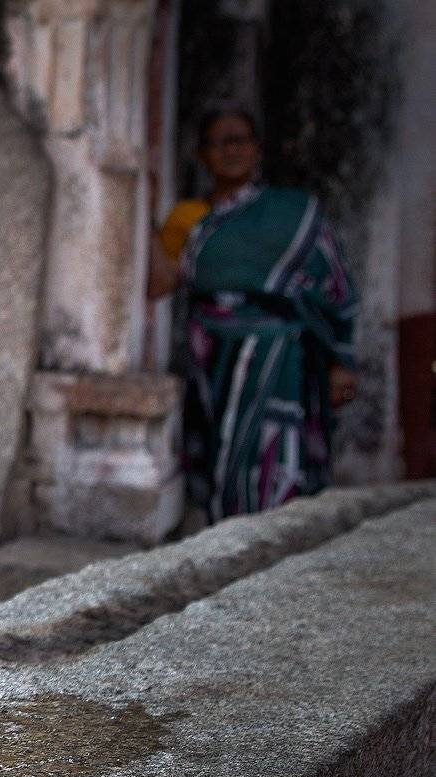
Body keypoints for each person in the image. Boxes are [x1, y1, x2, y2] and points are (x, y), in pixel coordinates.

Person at [149, 108, 359, 522]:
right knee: (220, 456)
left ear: (257, 149)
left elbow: (336, 284)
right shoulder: (188, 219)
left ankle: (283, 559)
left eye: (239, 140)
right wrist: (144, 208)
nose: (230, 151)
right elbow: (159, 285)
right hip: (213, 363)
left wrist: (342, 362)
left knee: (281, 457)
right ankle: (227, 548)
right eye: (218, 142)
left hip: (284, 360)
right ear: (201, 155)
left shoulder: (295, 213)